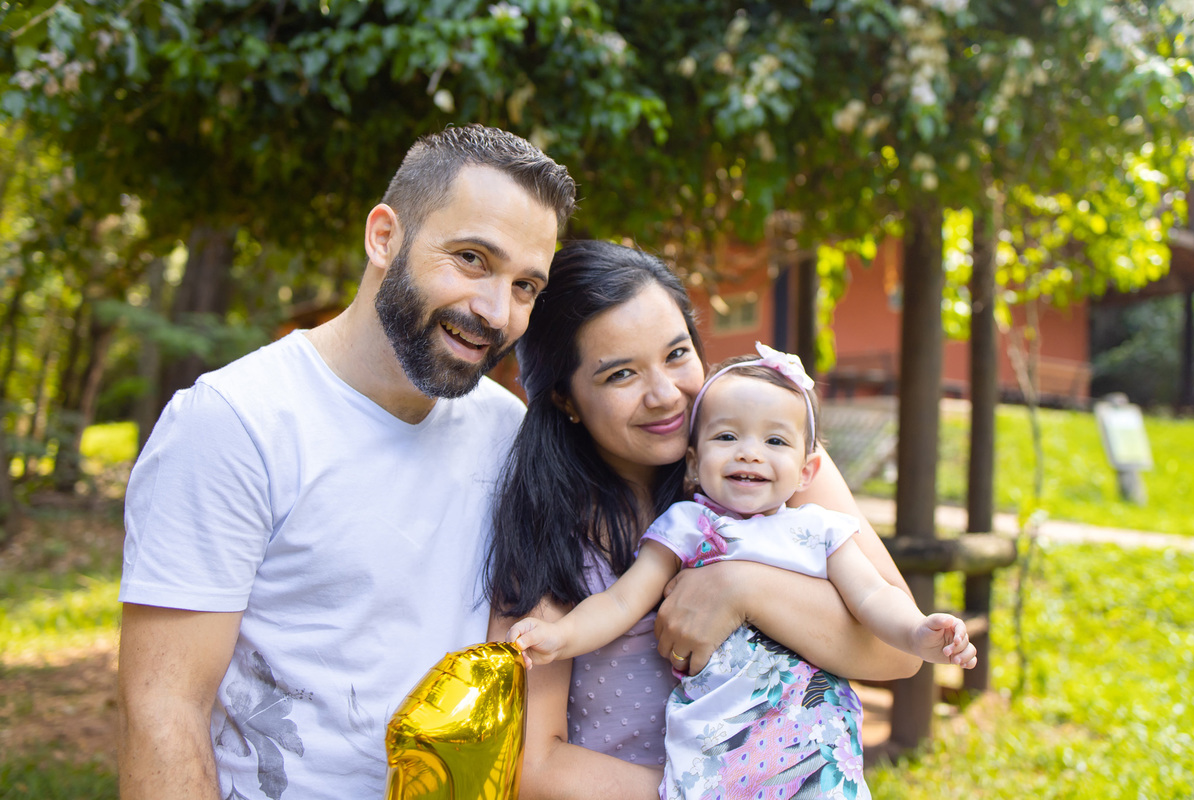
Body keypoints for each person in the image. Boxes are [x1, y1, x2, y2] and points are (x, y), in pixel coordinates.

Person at [116, 125, 576, 800]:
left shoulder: (509, 433)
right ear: (384, 237)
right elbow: (165, 712)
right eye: (472, 259)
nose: (496, 311)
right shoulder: (233, 422)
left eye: (526, 285)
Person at [485, 240, 923, 800]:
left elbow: (901, 650)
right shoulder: (551, 523)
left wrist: (741, 588)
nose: (665, 394)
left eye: (677, 354)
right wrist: (728, 792)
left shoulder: (778, 466)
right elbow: (532, 764)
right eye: (621, 374)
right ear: (565, 398)